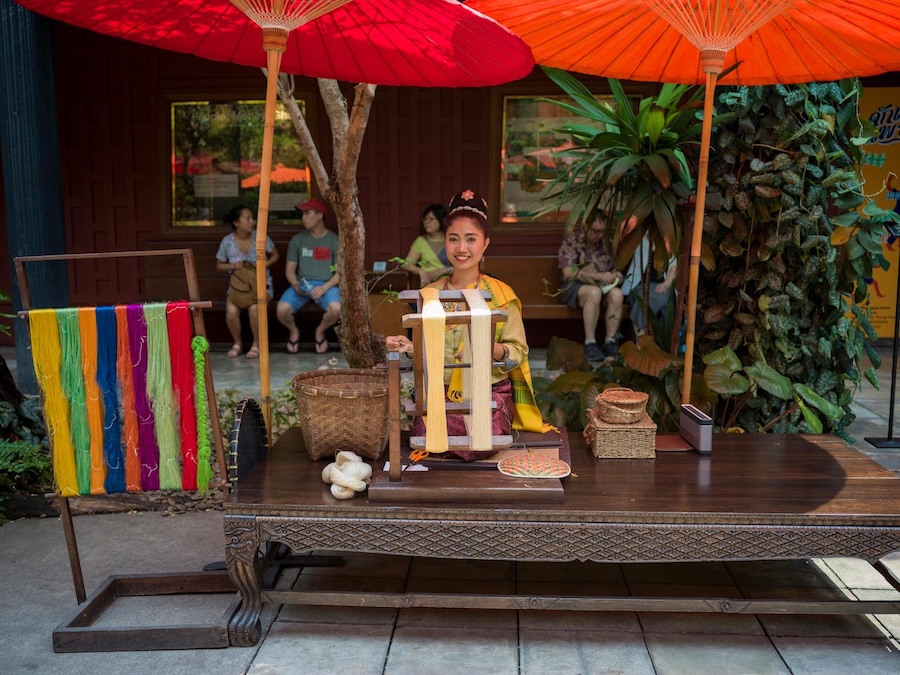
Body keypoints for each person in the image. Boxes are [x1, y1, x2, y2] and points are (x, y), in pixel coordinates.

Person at [386, 189, 551, 461]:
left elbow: (518, 353)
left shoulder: (501, 295)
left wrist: (490, 347)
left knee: (481, 437)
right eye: (453, 239)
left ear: (485, 243)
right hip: (440, 394)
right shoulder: (430, 294)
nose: (461, 248)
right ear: (445, 243)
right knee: (430, 434)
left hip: (487, 391)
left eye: (470, 239)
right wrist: (409, 347)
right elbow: (431, 354)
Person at [276, 198, 341, 354]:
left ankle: (320, 331)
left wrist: (325, 287)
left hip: (326, 285)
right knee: (282, 309)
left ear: (319, 215)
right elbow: (290, 270)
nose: (303, 217)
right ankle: (294, 331)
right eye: (302, 214)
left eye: (307, 213)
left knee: (336, 308)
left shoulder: (334, 240)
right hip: (302, 285)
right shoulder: (298, 240)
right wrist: (295, 283)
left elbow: (340, 274)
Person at [558, 212, 625, 361]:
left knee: (617, 294)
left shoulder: (606, 243)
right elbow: (568, 271)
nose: (600, 235)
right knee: (594, 293)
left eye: (603, 231)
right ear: (585, 226)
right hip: (575, 287)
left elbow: (613, 267)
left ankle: (610, 342)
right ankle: (590, 343)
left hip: (603, 288)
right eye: (596, 231)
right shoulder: (572, 241)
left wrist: (616, 274)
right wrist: (598, 276)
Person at [215, 204, 279, 359]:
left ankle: (257, 344)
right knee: (231, 311)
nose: (252, 221)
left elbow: (275, 255)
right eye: (248, 218)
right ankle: (238, 343)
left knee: (254, 309)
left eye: (252, 218)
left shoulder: (260, 237)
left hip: (261, 285)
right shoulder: (227, 241)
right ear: (237, 223)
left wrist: (263, 264)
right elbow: (219, 265)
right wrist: (232, 266)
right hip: (238, 288)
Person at [623, 235, 678, 336]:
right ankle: (641, 336)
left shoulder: (668, 242)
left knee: (666, 301)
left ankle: (660, 341)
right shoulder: (640, 239)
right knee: (643, 298)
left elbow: (674, 268)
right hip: (640, 285)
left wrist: (666, 285)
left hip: (663, 285)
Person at [401, 204, 452, 287]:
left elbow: (463, 266)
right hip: (429, 286)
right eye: (425, 219)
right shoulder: (421, 241)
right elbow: (406, 264)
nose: (426, 222)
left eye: (431, 219)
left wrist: (443, 270)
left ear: (441, 220)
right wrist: (420, 271)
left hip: (450, 286)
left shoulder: (451, 240)